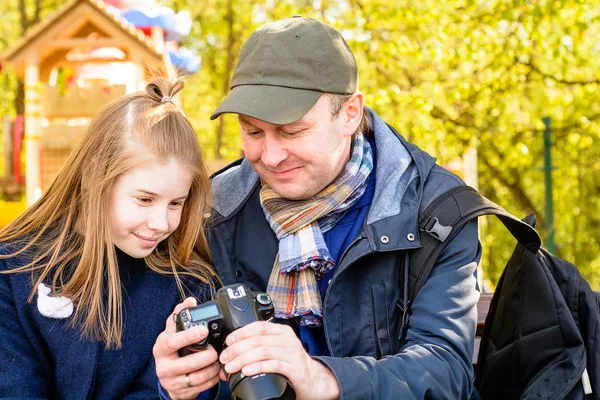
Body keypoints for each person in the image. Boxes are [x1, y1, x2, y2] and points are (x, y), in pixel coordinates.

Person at [155, 16, 482, 399]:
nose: (271, 156)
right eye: (253, 132)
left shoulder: (436, 213)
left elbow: (445, 372)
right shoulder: (213, 212)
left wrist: (322, 378)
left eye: (292, 131)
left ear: (349, 114)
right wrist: (179, 385)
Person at [0, 77, 219, 399]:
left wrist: (170, 390)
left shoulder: (188, 284)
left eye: (176, 203)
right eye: (144, 199)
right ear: (95, 180)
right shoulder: (13, 270)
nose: (160, 223)